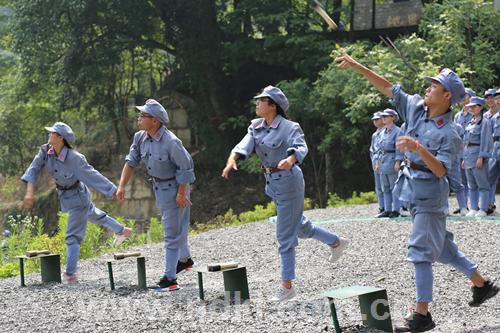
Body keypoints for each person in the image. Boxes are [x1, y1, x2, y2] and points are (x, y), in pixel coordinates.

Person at [335, 49, 498, 332]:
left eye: (434, 85)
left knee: (421, 251)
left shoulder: (450, 133)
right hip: (412, 189)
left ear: (447, 96)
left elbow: (441, 171)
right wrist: (355, 65)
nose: (428, 87)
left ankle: (422, 315)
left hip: (430, 196)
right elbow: (387, 86)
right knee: (445, 250)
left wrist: (418, 148)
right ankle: (482, 286)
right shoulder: (414, 107)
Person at [221, 85, 349, 302]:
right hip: (272, 183)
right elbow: (243, 146)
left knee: (285, 236)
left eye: (261, 101)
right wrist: (231, 160)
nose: (257, 104)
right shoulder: (256, 127)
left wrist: (290, 159)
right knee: (299, 226)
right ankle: (336, 242)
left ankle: (287, 286)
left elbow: (300, 146)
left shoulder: (290, 127)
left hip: (289, 181)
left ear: (273, 105)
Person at [21, 122, 132, 283]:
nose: (49, 135)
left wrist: (114, 190)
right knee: (94, 215)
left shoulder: (75, 159)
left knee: (72, 236)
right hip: (65, 195)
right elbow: (33, 170)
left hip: (78, 197)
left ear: (60, 138)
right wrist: (29, 194)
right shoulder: (46, 151)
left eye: (52, 133)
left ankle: (70, 274)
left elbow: (93, 176)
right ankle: (122, 230)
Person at [116, 99, 195, 291]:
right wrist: (121, 186)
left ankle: (170, 279)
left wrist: (182, 193)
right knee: (179, 227)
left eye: (143, 115)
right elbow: (131, 162)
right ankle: (184, 260)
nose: (139, 118)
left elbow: (185, 167)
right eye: (140, 114)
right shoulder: (140, 137)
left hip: (176, 188)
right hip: (160, 187)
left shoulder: (171, 142)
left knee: (171, 233)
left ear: (155, 121)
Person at [462, 97, 493, 217]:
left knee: (482, 184)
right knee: (471, 184)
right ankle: (474, 208)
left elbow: (486, 140)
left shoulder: (484, 122)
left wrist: (482, 156)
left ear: (480, 107)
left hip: (477, 155)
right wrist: (464, 158)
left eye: (474, 106)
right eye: (470, 106)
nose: (471, 108)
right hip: (468, 155)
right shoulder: (471, 122)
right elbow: (466, 141)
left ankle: (483, 209)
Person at [376, 109, 403, 218]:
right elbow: (378, 149)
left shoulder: (398, 131)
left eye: (386, 116)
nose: (383, 118)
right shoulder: (382, 132)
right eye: (383, 116)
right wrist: (377, 163)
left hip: (392, 160)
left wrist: (398, 162)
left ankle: (396, 209)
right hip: (383, 161)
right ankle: (387, 209)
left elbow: (399, 148)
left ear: (392, 117)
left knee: (394, 187)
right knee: (385, 187)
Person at [452, 88, 475, 215]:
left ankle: (475, 206)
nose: (463, 100)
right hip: (459, 151)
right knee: (461, 180)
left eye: (465, 97)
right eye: (461, 97)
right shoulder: (457, 116)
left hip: (471, 150)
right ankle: (463, 206)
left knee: (473, 180)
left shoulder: (476, 114)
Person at [487, 89, 500, 215]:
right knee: (490, 177)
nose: (498, 101)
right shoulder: (493, 117)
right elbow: (488, 136)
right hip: (495, 149)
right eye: (496, 99)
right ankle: (489, 204)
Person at [369, 111, 385, 214]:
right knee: (378, 185)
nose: (375, 121)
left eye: (377, 119)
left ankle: (393, 207)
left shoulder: (387, 131)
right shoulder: (375, 134)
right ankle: (382, 206)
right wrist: (373, 160)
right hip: (375, 159)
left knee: (387, 185)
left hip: (385, 159)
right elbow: (372, 149)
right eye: (374, 120)